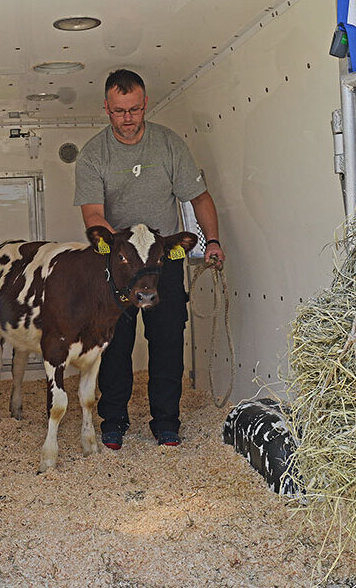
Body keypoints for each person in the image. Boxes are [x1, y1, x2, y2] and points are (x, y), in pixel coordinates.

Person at [74, 69, 226, 449]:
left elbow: (199, 198)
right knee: (115, 344)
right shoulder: (94, 154)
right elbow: (93, 215)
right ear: (106, 108)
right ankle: (113, 421)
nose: (128, 118)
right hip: (119, 264)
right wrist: (122, 251)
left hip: (162, 261)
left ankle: (167, 423)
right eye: (119, 111)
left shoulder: (168, 144)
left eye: (135, 109)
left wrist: (212, 240)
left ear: (145, 104)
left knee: (168, 340)